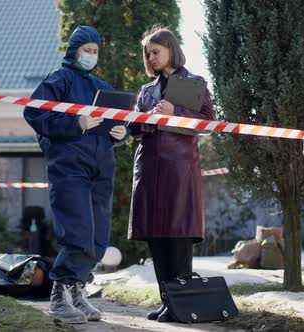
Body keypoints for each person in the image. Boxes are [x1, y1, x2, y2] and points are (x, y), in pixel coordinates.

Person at [23, 26, 128, 324]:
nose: (91, 56)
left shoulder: (102, 87)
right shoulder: (58, 81)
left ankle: (77, 293)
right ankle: (58, 296)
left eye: (95, 51)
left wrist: (121, 132)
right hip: (69, 169)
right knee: (78, 231)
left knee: (97, 238)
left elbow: (116, 123)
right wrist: (77, 123)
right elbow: (34, 113)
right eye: (86, 50)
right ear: (74, 51)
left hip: (101, 169)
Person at [127, 26, 215, 323]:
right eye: (148, 54)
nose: (151, 58)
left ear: (170, 49)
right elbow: (132, 128)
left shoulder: (193, 83)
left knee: (178, 235)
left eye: (156, 52)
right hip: (149, 170)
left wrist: (174, 111)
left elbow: (206, 123)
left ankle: (182, 303)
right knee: (157, 237)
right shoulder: (146, 91)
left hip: (179, 170)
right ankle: (168, 303)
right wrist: (146, 120)